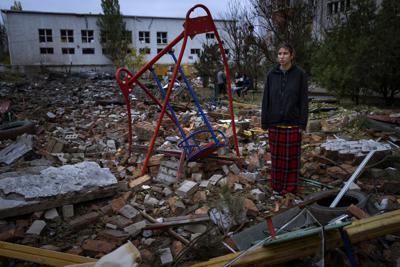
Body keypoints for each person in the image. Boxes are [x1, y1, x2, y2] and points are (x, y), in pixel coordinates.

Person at [261, 43, 308, 195]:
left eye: (285, 53)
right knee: (277, 159)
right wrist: (265, 121)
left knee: (291, 160)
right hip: (275, 124)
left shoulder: (299, 75)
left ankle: (290, 188)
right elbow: (266, 99)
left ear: (292, 55)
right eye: (279, 54)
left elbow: (303, 100)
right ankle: (277, 187)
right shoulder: (271, 75)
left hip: (293, 124)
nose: (282, 56)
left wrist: (302, 123)